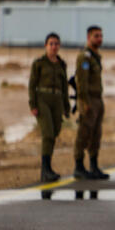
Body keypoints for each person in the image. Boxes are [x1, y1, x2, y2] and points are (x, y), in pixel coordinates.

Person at [28, 32, 71, 182]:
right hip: (42, 99)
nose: (54, 47)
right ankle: (44, 170)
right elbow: (32, 85)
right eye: (51, 44)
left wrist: (66, 107)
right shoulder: (39, 63)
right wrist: (33, 104)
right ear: (46, 46)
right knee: (47, 133)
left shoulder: (61, 64)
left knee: (55, 132)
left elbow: (64, 87)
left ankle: (49, 168)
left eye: (56, 44)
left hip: (57, 100)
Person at [73, 25, 109, 180]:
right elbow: (81, 81)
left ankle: (94, 166)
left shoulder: (96, 56)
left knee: (96, 134)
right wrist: (84, 102)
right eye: (96, 36)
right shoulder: (85, 57)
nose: (99, 39)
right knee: (84, 133)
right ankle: (79, 166)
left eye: (101, 36)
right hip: (88, 100)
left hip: (98, 100)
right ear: (89, 38)